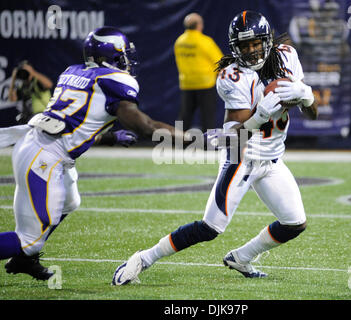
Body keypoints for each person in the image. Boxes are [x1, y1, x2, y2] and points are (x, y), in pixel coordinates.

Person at [113, 10, 318, 285]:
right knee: (211, 227)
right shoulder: (232, 76)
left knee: (294, 223)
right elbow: (234, 136)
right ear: (235, 48)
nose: (252, 50)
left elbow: (313, 112)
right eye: (245, 46)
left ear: (267, 40)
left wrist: (306, 95)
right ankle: (143, 258)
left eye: (256, 43)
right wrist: (258, 116)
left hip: (272, 159)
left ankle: (241, 257)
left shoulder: (286, 56)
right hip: (242, 155)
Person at [0, 26, 187, 281]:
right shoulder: (117, 81)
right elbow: (146, 127)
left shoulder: (73, 72)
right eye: (122, 56)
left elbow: (76, 124)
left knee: (70, 201)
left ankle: (26, 257)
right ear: (112, 57)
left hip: (42, 143)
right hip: (44, 153)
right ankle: (25, 253)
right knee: (29, 239)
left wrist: (109, 137)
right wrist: (189, 138)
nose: (127, 62)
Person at [174, 12, 224, 132]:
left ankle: (178, 140)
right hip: (205, 83)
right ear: (199, 25)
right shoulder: (205, 42)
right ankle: (208, 142)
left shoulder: (179, 42)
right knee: (207, 115)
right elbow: (220, 62)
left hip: (187, 83)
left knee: (185, 115)